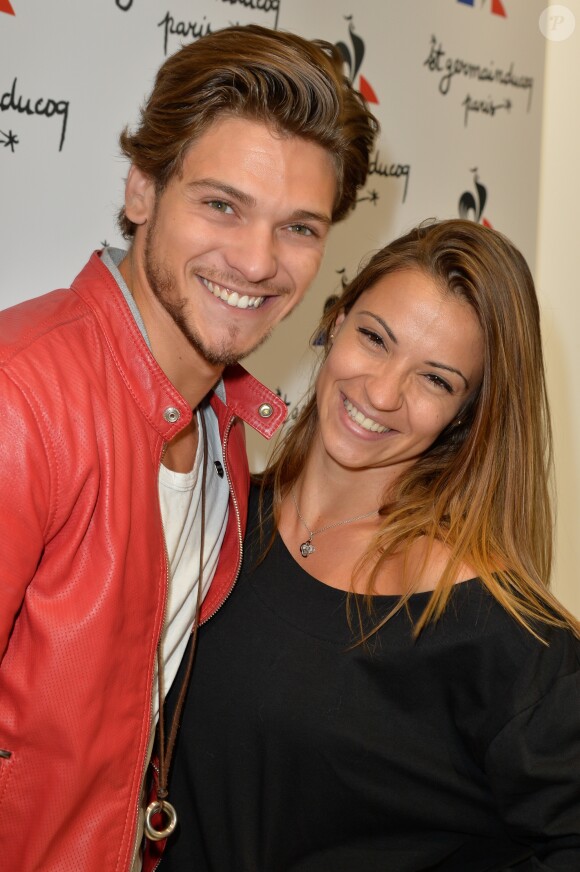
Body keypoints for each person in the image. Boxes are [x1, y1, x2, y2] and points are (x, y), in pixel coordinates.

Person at [0, 24, 378, 871]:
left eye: (299, 228)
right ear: (142, 189)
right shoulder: (20, 398)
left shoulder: (221, 427)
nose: (255, 261)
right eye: (222, 204)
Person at [160, 219, 580, 872]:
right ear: (337, 317)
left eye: (436, 380)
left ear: (468, 412)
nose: (382, 393)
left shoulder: (501, 633)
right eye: (375, 338)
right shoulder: (217, 514)